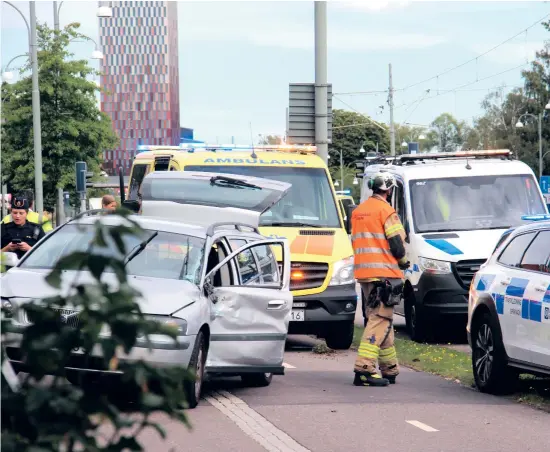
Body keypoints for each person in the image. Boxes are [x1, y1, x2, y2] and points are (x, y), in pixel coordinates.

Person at [351, 171, 409, 387]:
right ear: (389, 190)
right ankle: (364, 369)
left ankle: (389, 368)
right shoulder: (386, 210)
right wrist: (403, 262)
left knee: (380, 317)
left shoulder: (359, 211)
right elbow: (396, 245)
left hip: (364, 274)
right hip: (384, 274)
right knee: (380, 319)